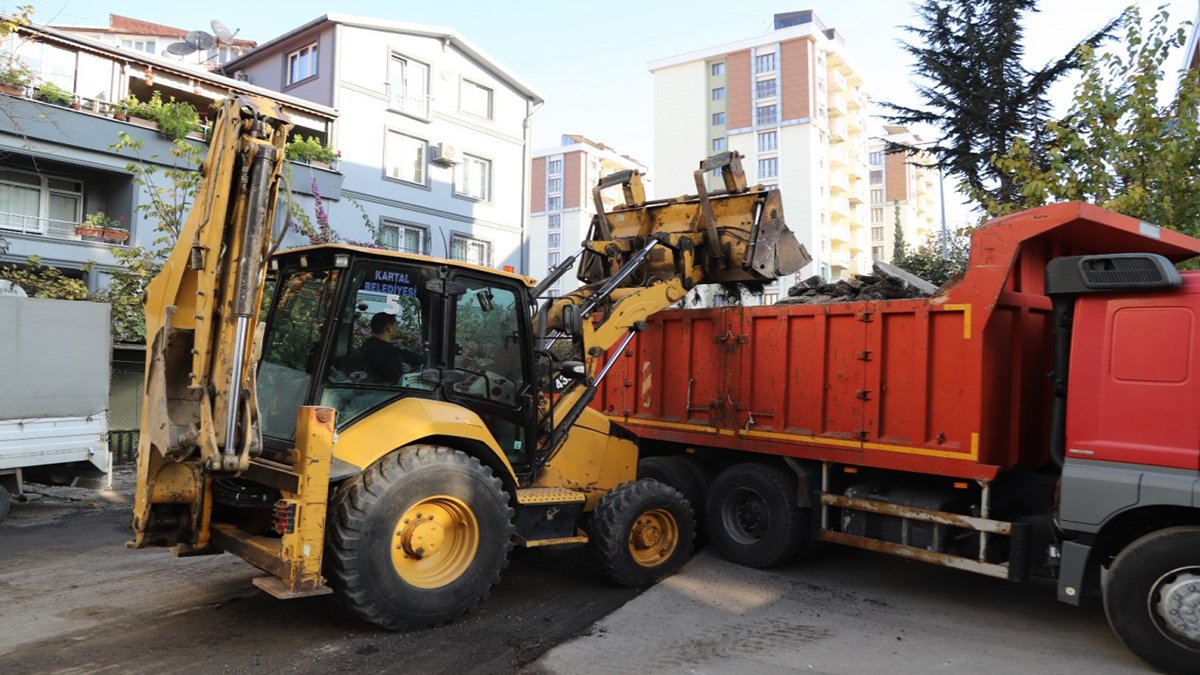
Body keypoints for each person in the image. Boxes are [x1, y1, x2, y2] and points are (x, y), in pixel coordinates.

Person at [358, 312, 423, 383]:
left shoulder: (368, 345)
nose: (398, 328)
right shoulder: (388, 353)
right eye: (396, 325)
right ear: (389, 329)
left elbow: (406, 355)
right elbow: (397, 382)